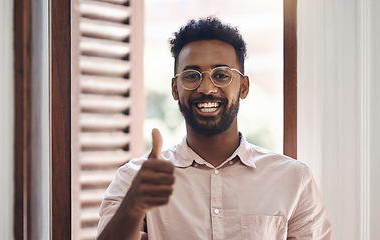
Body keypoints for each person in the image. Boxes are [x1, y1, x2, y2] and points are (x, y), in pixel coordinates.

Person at [96, 17, 331, 240]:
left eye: (221, 75)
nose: (207, 88)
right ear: (175, 88)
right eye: (191, 76)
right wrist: (133, 205)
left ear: (244, 87)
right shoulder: (135, 178)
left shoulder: (293, 179)